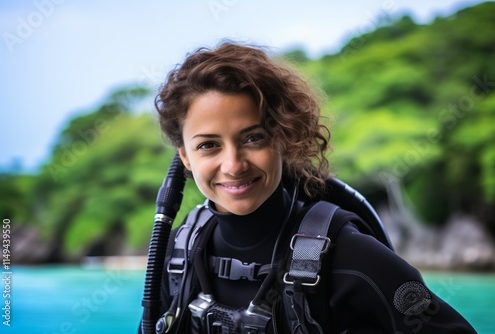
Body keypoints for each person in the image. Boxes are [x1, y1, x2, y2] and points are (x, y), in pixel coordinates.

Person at [140, 41, 477, 333]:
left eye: (253, 138)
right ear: (185, 157)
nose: (234, 165)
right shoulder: (180, 252)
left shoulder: (346, 254)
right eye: (209, 145)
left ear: (282, 138)